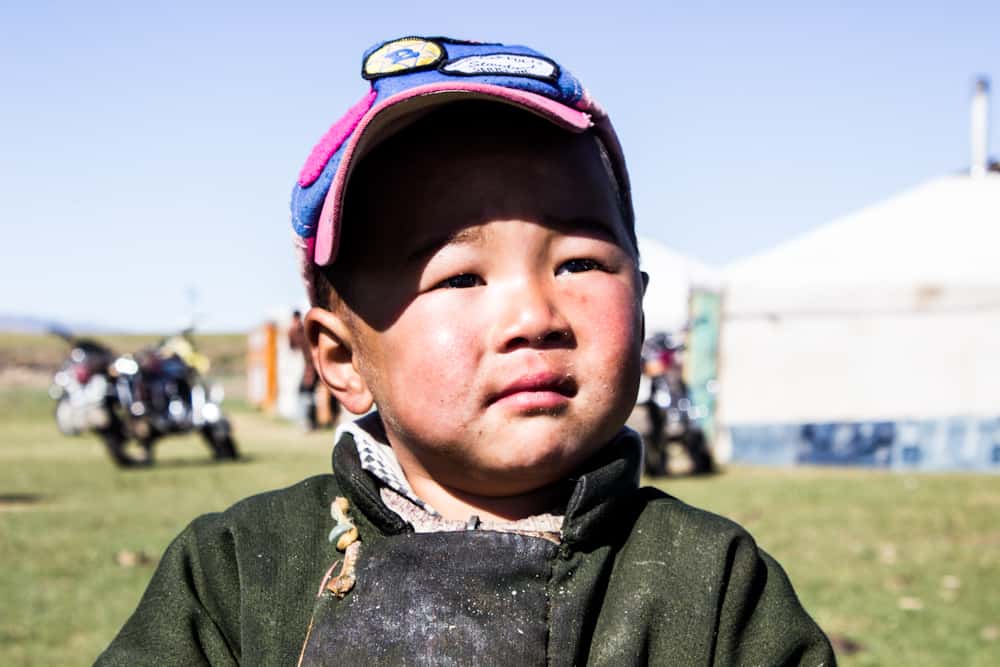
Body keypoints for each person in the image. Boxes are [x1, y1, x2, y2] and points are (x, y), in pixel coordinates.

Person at [97, 36, 834, 665]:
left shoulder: (711, 589)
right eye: (460, 276)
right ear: (342, 358)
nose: (534, 314)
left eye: (578, 262)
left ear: (639, 308)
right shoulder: (238, 574)